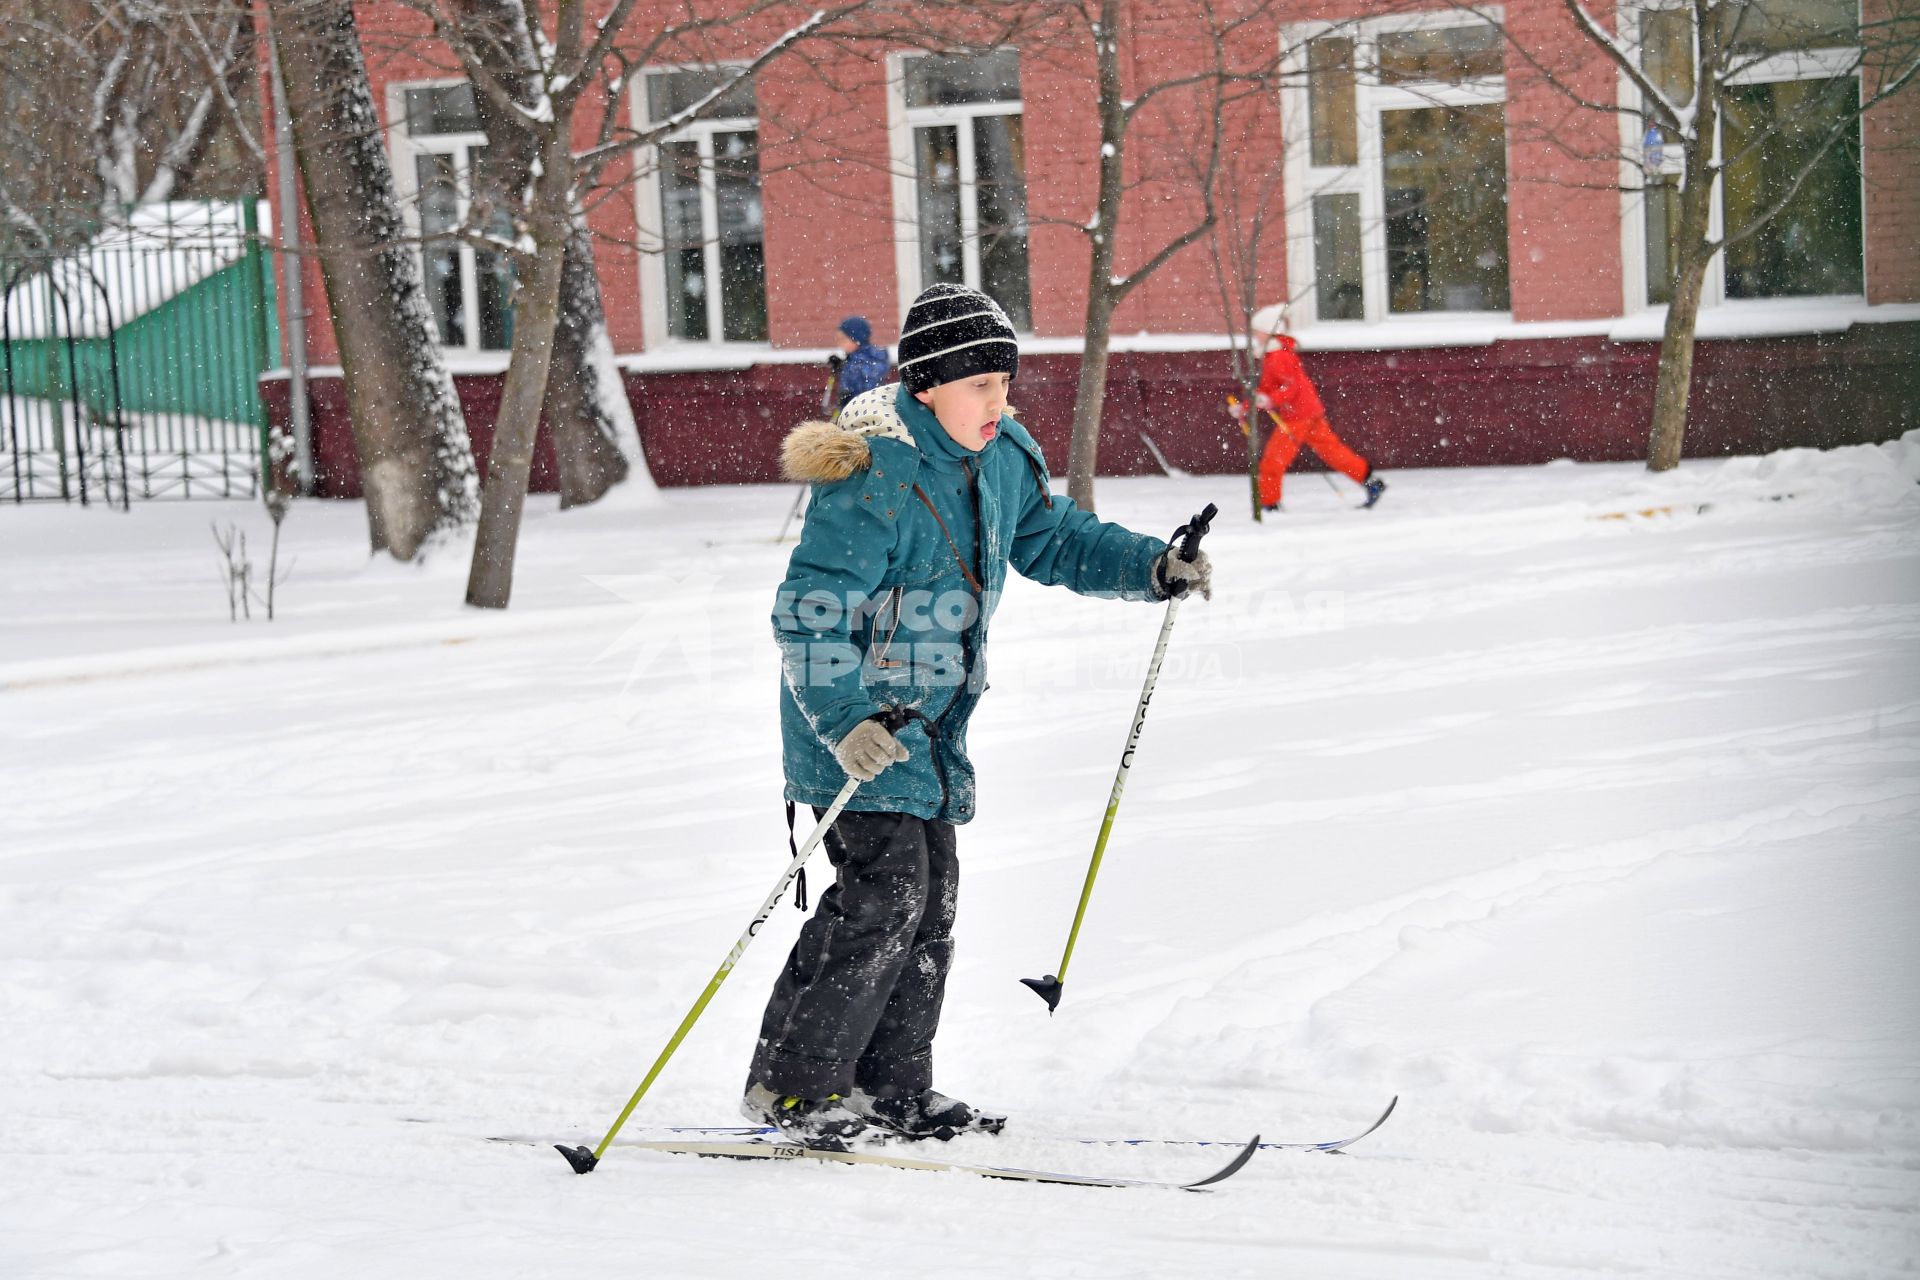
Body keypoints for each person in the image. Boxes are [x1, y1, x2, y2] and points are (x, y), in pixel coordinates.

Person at [746, 283, 1214, 1147]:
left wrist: (1150, 567)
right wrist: (847, 720)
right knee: (881, 900)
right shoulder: (874, 470)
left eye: (1005, 383)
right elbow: (809, 609)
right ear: (927, 386)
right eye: (980, 386)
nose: (999, 401)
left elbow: (1052, 536)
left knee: (929, 906)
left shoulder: (1001, 455)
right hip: (854, 734)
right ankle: (794, 1090)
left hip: (931, 733)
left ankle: (892, 1089)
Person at [1232, 303, 1385, 511]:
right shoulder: (1275, 354)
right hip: (1308, 411)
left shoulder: (1279, 356)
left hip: (1297, 416)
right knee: (1332, 452)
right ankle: (1370, 481)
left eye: (1256, 331)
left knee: (1272, 461)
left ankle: (1270, 504)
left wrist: (1269, 401)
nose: (1253, 335)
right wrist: (1246, 407)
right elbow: (1266, 390)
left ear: (1269, 331)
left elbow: (1288, 388)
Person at [826, 315, 891, 413]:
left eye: (843, 339)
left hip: (865, 413)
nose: (840, 344)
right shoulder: (853, 358)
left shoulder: (872, 359)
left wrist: (849, 393)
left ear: (857, 340)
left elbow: (868, 384)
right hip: (851, 411)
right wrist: (842, 366)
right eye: (838, 339)